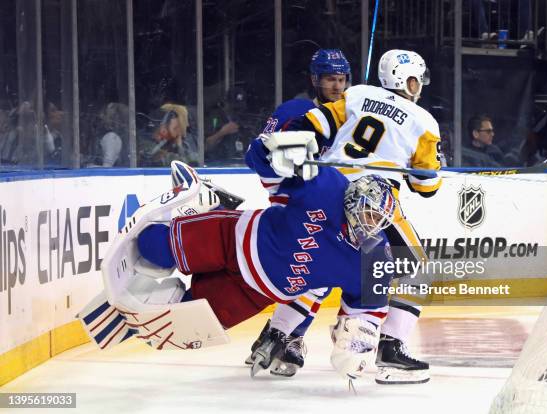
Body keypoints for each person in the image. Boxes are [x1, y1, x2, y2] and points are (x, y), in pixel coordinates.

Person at [98, 133, 396, 381]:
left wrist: (358, 341)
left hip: (254, 292)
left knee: (184, 319)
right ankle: (210, 205)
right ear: (353, 200)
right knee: (153, 247)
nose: (370, 225)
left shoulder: (372, 258)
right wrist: (272, 149)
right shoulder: (324, 185)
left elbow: (367, 310)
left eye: (379, 220)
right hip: (235, 238)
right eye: (368, 213)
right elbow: (260, 162)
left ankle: (209, 210)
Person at [250, 49, 441, 384]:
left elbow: (312, 125)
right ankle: (390, 347)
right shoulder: (424, 121)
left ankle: (277, 337)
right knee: (416, 268)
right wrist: (428, 171)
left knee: (321, 265)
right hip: (370, 202)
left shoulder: (358, 94)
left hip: (326, 189)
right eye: (415, 79)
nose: (418, 86)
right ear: (402, 78)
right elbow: (427, 186)